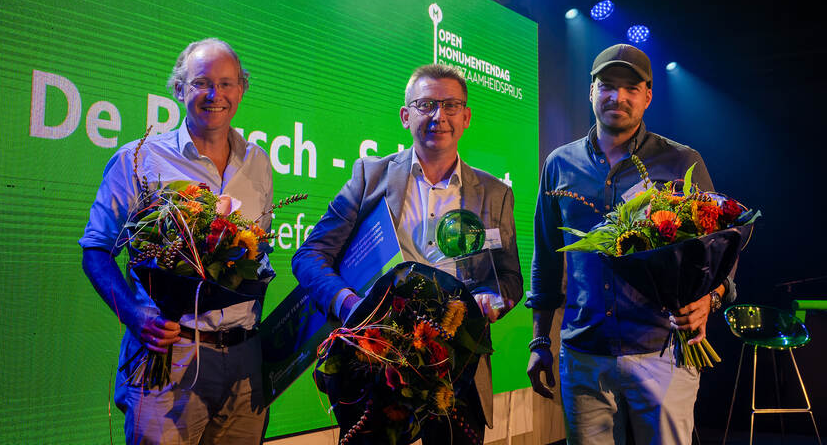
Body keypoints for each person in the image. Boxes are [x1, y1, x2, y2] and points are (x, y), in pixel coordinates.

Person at [292, 64, 523, 444]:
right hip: (376, 368)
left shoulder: (495, 194)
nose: (439, 116)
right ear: (405, 116)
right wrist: (351, 304)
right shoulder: (370, 176)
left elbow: (510, 277)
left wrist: (493, 300)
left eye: (451, 106)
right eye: (426, 104)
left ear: (466, 117)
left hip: (457, 373)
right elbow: (309, 255)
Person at [525, 44, 736, 445]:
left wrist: (712, 297)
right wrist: (539, 340)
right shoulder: (559, 164)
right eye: (607, 85)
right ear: (591, 91)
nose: (617, 97)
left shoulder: (681, 161)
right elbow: (546, 260)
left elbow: (721, 249)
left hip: (663, 351)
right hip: (585, 355)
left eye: (630, 88)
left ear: (648, 96)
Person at [80, 38, 274, 444]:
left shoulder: (258, 161)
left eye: (226, 83)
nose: (214, 95)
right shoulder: (141, 158)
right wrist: (134, 313)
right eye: (201, 82)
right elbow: (96, 250)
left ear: (241, 89)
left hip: (244, 361)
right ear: (179, 89)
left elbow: (254, 255)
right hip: (170, 355)